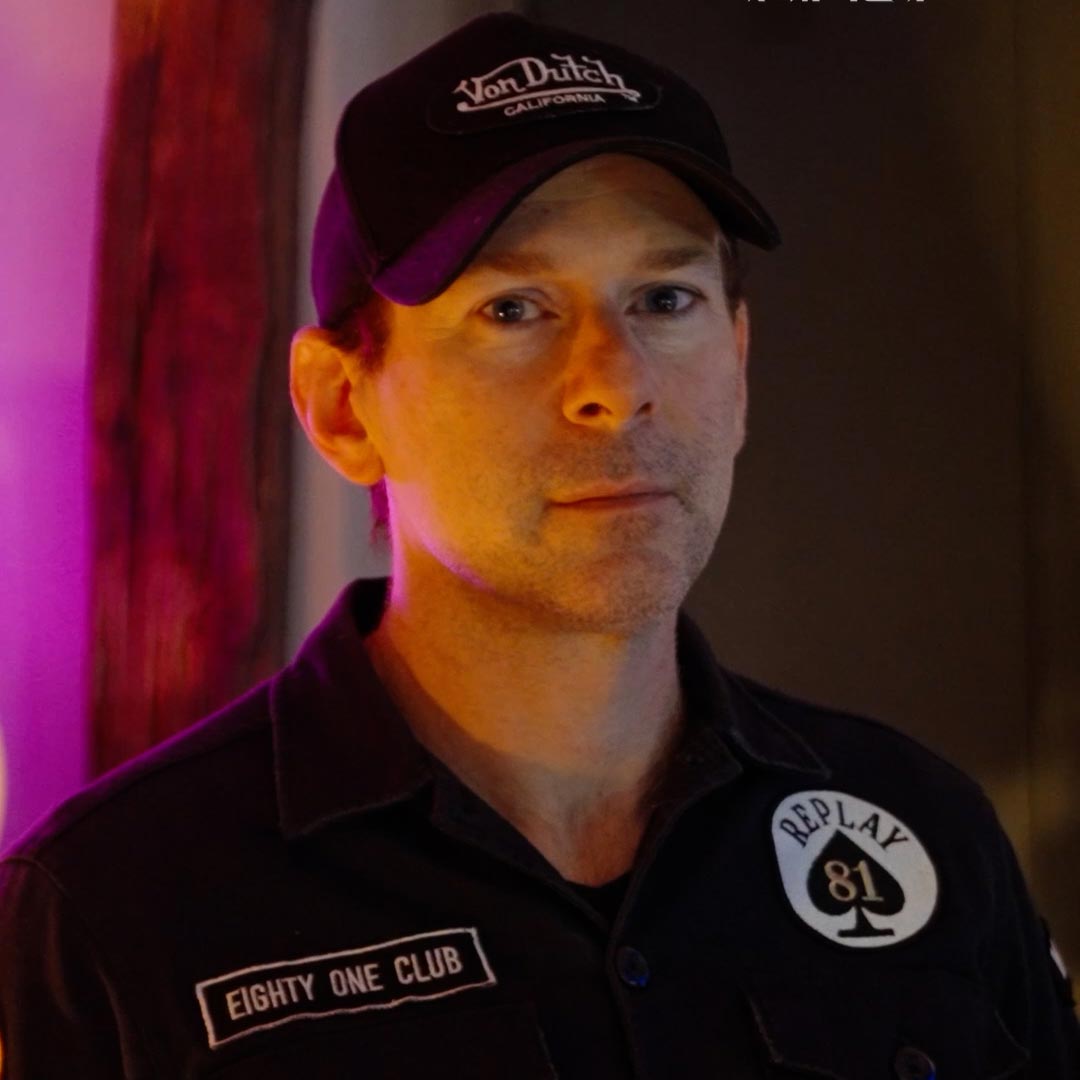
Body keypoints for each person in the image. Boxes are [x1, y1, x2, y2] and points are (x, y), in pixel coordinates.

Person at [0, 12, 1075, 1078]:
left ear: (740, 363)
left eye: (664, 299)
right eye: (514, 310)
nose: (616, 383)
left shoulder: (921, 828)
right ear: (342, 406)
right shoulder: (112, 909)